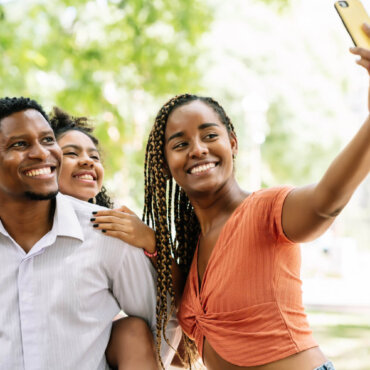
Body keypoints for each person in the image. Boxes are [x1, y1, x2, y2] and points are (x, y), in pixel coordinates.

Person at [98, 27, 370, 370]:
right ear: (166, 165)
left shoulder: (265, 209)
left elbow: (325, 201)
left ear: (233, 144)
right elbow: (185, 305)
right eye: (180, 144)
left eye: (209, 135)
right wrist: (151, 240)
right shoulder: (196, 248)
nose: (197, 150)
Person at [0, 97, 179, 370]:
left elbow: (163, 325)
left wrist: (154, 243)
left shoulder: (110, 233)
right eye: (20, 144)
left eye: (47, 140)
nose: (40, 153)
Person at [48, 106, 163, 369]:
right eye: (71, 154)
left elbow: (158, 318)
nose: (88, 161)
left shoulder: (113, 230)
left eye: (94, 156)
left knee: (131, 331)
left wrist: (151, 243)